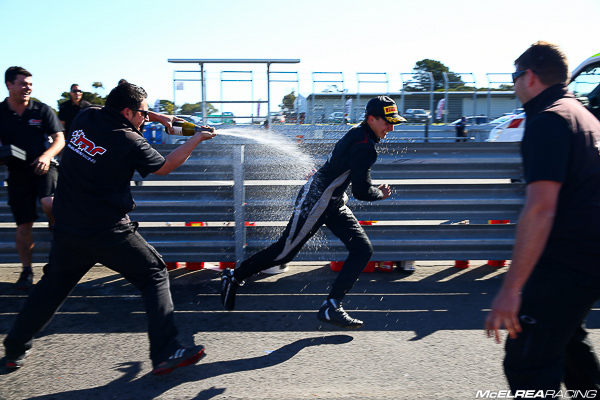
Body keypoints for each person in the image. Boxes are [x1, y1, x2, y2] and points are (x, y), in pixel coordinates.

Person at [3, 82, 216, 375]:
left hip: (68, 226)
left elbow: (119, 111)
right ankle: (166, 351)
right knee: (154, 273)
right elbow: (165, 166)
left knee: (51, 288)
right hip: (106, 229)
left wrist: (160, 117)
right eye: (142, 113)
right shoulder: (129, 139)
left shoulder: (86, 116)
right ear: (127, 112)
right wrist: (198, 138)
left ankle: (14, 350)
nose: (145, 118)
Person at [221, 95, 404, 328]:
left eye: (393, 123)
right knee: (283, 253)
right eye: (387, 122)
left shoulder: (360, 134)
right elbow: (361, 191)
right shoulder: (364, 145)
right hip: (317, 200)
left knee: (362, 249)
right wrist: (380, 194)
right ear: (371, 119)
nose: (391, 128)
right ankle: (233, 277)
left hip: (333, 202)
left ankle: (332, 306)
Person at [485, 41, 600, 395]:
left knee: (527, 363)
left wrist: (511, 289)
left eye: (515, 77)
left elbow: (540, 209)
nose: (513, 85)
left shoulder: (548, 120)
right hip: (587, 259)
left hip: (566, 263)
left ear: (530, 76)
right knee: (568, 348)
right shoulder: (582, 115)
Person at [0, 67, 65, 289]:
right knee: (23, 225)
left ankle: (56, 231)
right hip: (17, 172)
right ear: (9, 85)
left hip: (44, 167)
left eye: (30, 84)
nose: (28, 87)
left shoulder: (41, 109)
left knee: (49, 202)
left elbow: (60, 139)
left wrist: (46, 156)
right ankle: (27, 271)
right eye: (23, 83)